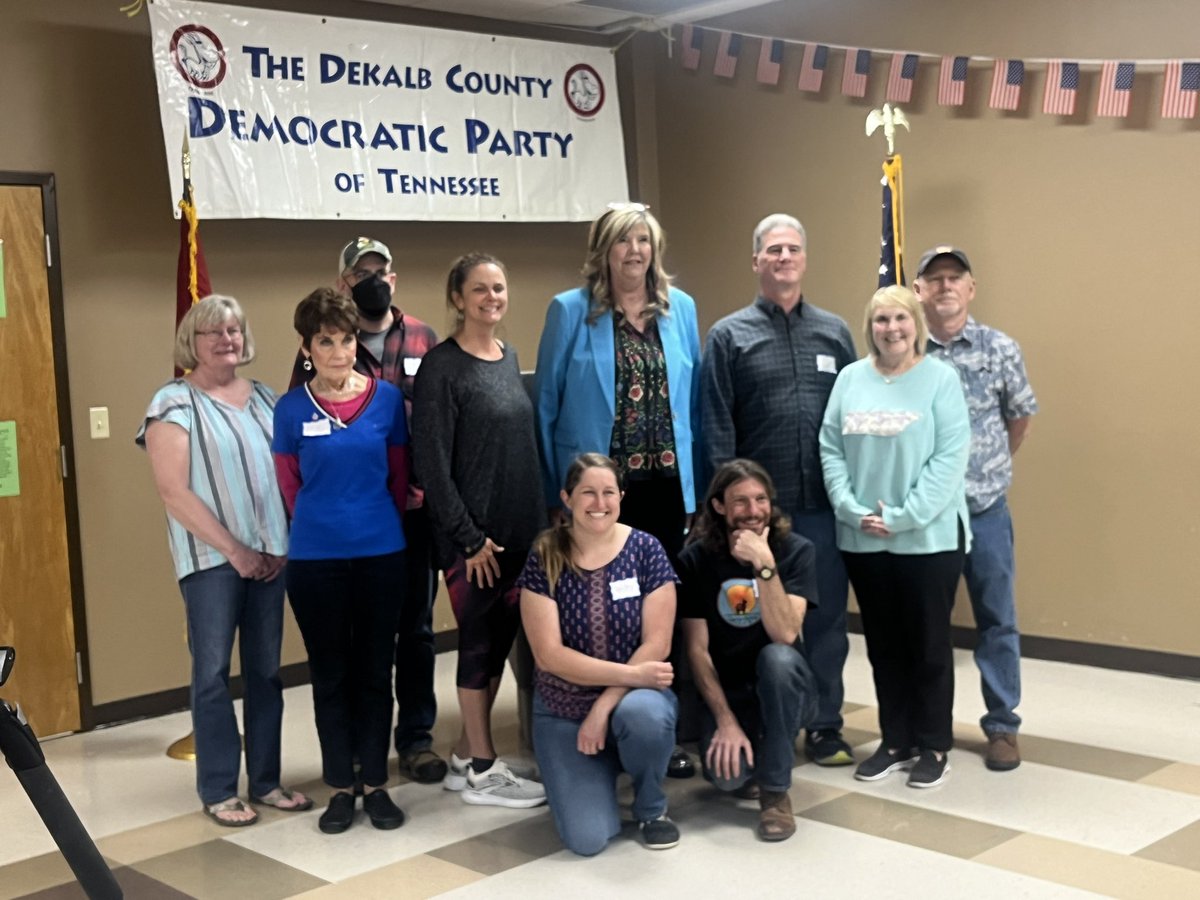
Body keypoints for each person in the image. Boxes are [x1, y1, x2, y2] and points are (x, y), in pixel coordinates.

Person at [534, 203, 702, 777]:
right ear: (602, 251)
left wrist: (696, 493)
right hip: (596, 496)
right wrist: (554, 494)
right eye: (622, 241)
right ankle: (596, 719)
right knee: (599, 606)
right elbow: (548, 408)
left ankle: (659, 729)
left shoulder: (681, 311)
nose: (634, 251)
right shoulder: (570, 311)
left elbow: (693, 404)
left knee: (663, 613)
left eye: (643, 240)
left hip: (664, 489)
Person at [137, 295, 310, 827]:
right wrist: (235, 551)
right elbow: (174, 493)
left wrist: (276, 547)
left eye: (234, 330)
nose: (226, 339)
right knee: (212, 674)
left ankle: (265, 781)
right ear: (193, 340)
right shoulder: (172, 402)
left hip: (271, 558)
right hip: (212, 561)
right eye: (213, 331)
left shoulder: (264, 398)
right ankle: (218, 788)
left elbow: (286, 474)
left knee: (265, 672)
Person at [702, 213, 858, 768]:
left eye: (793, 248)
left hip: (820, 511)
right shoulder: (728, 336)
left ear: (805, 259)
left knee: (824, 623)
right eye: (773, 250)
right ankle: (763, 720)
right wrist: (729, 516)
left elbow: (852, 419)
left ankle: (824, 726)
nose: (784, 257)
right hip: (755, 520)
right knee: (749, 622)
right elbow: (716, 424)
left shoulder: (835, 333)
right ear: (756, 261)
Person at [288, 237, 445, 785]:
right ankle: (354, 753)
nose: (372, 279)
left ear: (394, 279)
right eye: (361, 273)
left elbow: (438, 421)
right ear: (343, 283)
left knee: (416, 632)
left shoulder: (425, 336)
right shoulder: (321, 347)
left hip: (414, 516)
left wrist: (424, 489)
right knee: (353, 646)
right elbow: (298, 453)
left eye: (381, 270)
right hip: (345, 525)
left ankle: (416, 741)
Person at [819, 284, 971, 789]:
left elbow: (949, 459)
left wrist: (904, 516)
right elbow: (831, 448)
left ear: (916, 325)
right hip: (863, 538)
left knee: (927, 645)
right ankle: (895, 739)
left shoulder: (940, 380)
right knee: (883, 646)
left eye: (900, 319)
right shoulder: (849, 379)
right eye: (881, 320)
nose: (892, 329)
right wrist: (848, 507)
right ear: (871, 327)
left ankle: (933, 745)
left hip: (927, 540)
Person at [412, 252, 547, 809]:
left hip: (520, 533)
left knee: (498, 649)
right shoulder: (441, 368)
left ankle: (467, 753)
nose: (492, 297)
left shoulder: (506, 355)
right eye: (480, 289)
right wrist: (468, 538)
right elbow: (432, 465)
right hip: (475, 543)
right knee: (478, 645)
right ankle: (485, 771)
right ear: (457, 299)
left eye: (499, 287)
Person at [273, 288, 409, 834]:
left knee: (376, 672)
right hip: (314, 561)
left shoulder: (388, 401)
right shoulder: (289, 409)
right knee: (330, 676)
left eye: (346, 339)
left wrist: (372, 521)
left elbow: (398, 479)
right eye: (325, 341)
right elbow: (290, 488)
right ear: (307, 347)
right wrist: (329, 523)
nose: (338, 351)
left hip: (381, 554)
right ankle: (338, 787)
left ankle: (375, 784)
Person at [913, 246, 1038, 772]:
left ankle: (1002, 726)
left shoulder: (998, 348)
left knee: (997, 619)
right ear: (918, 290)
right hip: (929, 518)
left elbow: (1019, 418)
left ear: (971, 288)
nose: (945, 287)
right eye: (934, 279)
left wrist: (987, 469)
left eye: (954, 278)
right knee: (927, 625)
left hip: (984, 510)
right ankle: (927, 727)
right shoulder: (906, 349)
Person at [519, 454, 680, 854]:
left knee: (644, 716)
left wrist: (603, 707)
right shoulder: (544, 555)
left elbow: (656, 644)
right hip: (561, 707)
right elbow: (549, 657)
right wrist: (633, 676)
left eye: (609, 492)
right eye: (587, 492)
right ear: (566, 498)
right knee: (588, 840)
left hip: (631, 701)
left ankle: (650, 805)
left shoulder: (646, 550)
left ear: (621, 496)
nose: (599, 502)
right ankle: (599, 769)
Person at [678, 459, 818, 842]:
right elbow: (697, 651)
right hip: (730, 695)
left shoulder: (795, 551)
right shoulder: (695, 559)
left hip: (785, 687)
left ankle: (775, 792)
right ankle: (756, 752)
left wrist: (765, 564)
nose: (753, 512)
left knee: (777, 658)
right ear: (720, 506)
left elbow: (786, 634)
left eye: (761, 500)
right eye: (741, 501)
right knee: (727, 779)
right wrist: (724, 720)